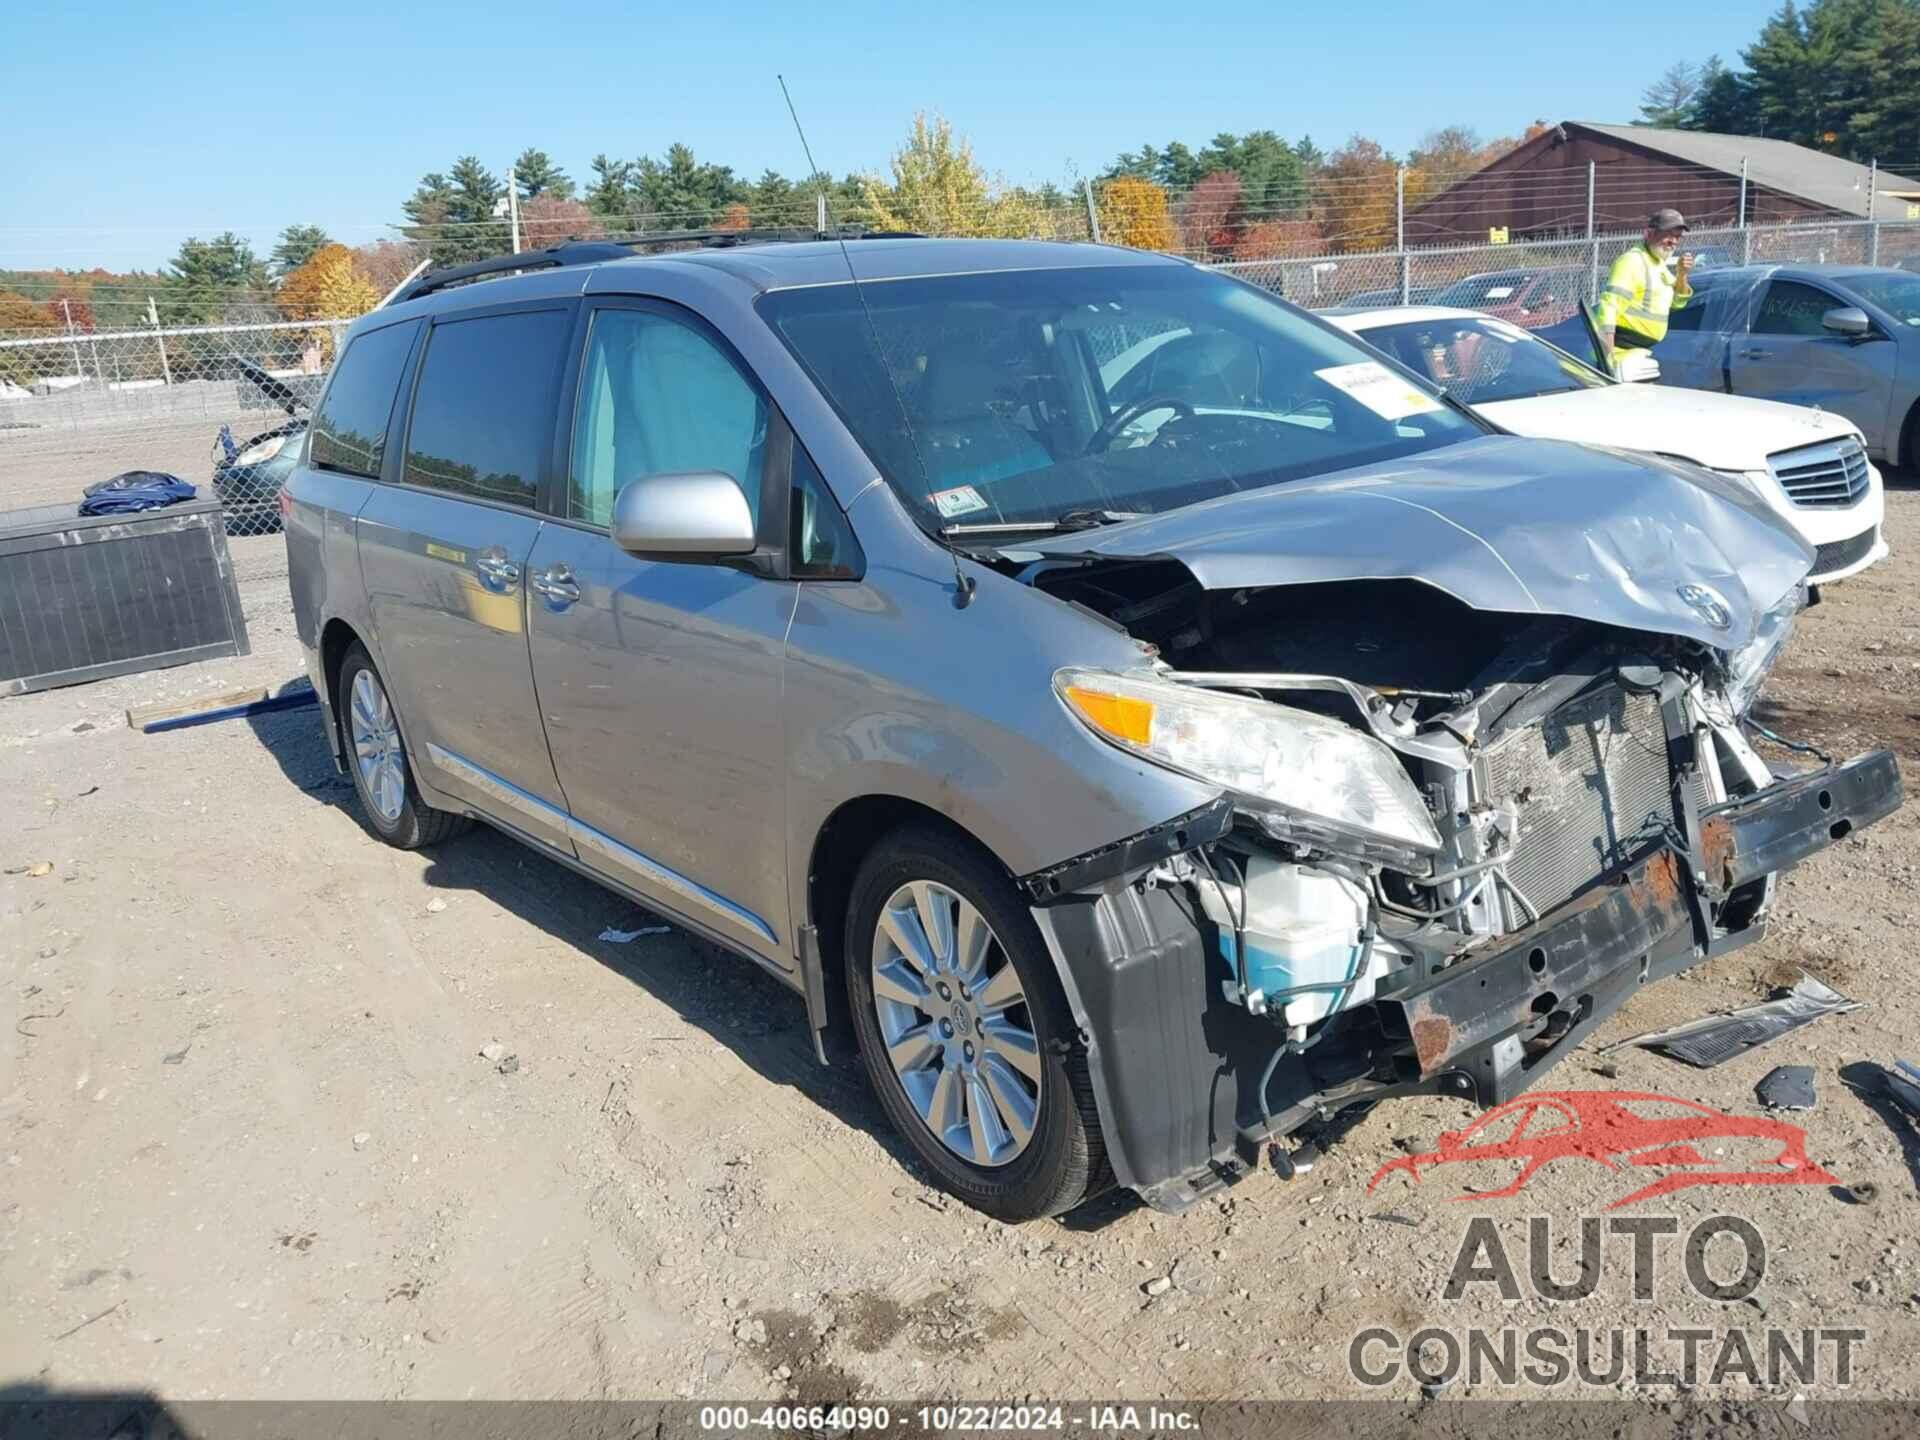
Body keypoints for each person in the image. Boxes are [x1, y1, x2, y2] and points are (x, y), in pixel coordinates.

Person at [1596, 208, 1693, 373]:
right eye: (1668, 234)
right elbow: (1608, 309)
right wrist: (1607, 361)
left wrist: (1682, 274)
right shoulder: (1632, 262)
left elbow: (1678, 303)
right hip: (1622, 355)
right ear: (1649, 234)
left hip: (1638, 355)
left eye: (1677, 237)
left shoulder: (1658, 263)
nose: (1673, 241)